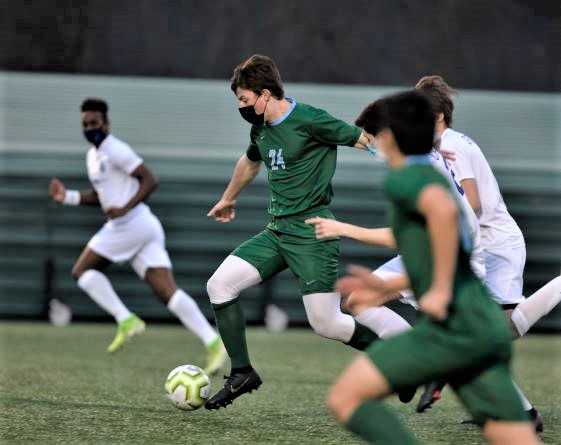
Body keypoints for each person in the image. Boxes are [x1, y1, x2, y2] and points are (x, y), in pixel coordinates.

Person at [327, 90, 538, 445]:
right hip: (481, 325)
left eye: (373, 136)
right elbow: (451, 248)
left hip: (452, 328)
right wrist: (388, 286)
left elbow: (442, 212)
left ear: (390, 138)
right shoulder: (433, 168)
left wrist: (438, 289)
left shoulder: (405, 178)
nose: (372, 145)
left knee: (346, 398)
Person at [204, 54, 380, 410]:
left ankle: (398, 359)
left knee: (326, 323)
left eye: (244, 99)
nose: (241, 106)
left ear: (265, 94)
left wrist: (417, 156)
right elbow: (251, 161)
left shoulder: (311, 120)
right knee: (219, 285)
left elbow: (365, 140)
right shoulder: (261, 129)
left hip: (313, 231)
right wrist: (227, 198)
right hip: (277, 232)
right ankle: (242, 372)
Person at [49, 98, 227, 375]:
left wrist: (125, 208)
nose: (89, 128)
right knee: (167, 293)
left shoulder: (116, 149)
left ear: (106, 124)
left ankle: (126, 319)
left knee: (81, 271)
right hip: (142, 226)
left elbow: (149, 179)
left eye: (94, 123)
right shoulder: (92, 156)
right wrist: (68, 197)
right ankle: (214, 342)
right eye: (85, 124)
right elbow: (102, 196)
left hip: (131, 224)